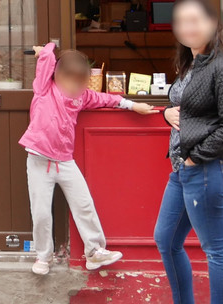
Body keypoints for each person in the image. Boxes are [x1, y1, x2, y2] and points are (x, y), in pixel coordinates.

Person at [20, 42, 158, 275]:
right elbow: (48, 60)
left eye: (80, 82)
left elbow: (107, 99)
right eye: (70, 81)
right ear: (56, 76)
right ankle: (43, 256)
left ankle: (94, 252)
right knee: (41, 213)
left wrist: (133, 105)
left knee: (84, 205)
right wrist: (46, 50)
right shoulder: (44, 88)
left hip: (65, 161)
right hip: (39, 161)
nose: (75, 87)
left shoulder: (82, 97)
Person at [154, 0, 223, 304]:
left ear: (212, 24)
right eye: (182, 21)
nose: (188, 27)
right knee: (166, 240)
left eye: (195, 20)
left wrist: (195, 157)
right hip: (184, 170)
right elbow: (185, 110)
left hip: (208, 168)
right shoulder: (191, 65)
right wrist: (166, 113)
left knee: (216, 249)